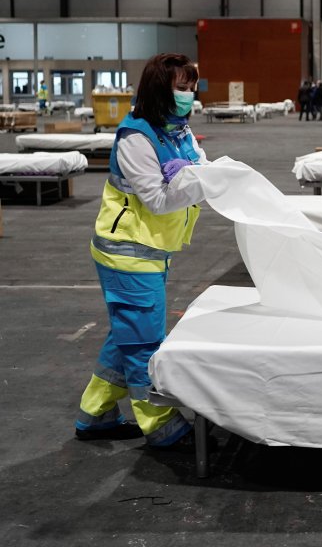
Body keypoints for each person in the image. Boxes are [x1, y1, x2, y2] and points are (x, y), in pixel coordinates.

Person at [74, 53, 208, 450]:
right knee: (145, 344)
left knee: (128, 336)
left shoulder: (178, 130)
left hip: (152, 251)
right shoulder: (137, 137)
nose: (188, 95)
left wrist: (214, 175)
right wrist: (201, 181)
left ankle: (95, 414)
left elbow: (202, 167)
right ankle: (162, 425)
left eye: (191, 87)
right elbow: (158, 200)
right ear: (158, 88)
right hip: (127, 252)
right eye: (180, 87)